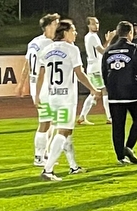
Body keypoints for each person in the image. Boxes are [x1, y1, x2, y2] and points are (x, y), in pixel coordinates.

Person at [35, 19, 104, 182]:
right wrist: (93, 89)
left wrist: (38, 95)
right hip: (66, 98)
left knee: (66, 132)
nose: (75, 33)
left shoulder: (46, 49)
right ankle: (48, 169)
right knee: (63, 131)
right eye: (73, 30)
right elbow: (79, 73)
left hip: (51, 96)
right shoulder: (72, 50)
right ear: (65, 32)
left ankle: (73, 166)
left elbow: (41, 75)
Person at [102, 21, 137, 166]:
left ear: (117, 33)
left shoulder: (109, 50)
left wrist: (109, 87)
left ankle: (120, 157)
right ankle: (128, 146)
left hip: (114, 93)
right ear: (130, 33)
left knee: (117, 125)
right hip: (131, 92)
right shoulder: (134, 48)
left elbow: (104, 72)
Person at [17, 13, 60, 167]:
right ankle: (38, 156)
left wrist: (22, 84)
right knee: (45, 122)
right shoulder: (49, 44)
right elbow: (41, 69)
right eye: (56, 24)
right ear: (48, 26)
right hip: (44, 86)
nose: (58, 26)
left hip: (38, 84)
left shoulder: (34, 42)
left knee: (52, 121)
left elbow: (27, 64)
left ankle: (45, 152)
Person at [78, 16, 110, 126]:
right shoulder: (93, 37)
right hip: (96, 67)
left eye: (97, 23)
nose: (96, 25)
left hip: (92, 67)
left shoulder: (89, 37)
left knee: (94, 92)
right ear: (88, 25)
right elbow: (103, 51)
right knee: (104, 90)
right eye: (93, 23)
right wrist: (109, 40)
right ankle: (109, 117)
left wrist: (107, 41)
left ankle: (82, 116)